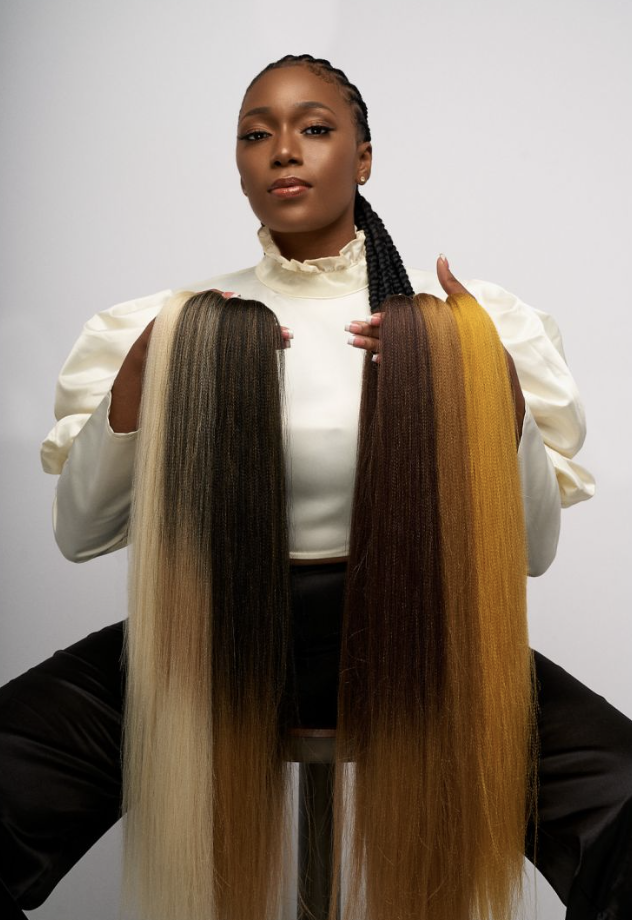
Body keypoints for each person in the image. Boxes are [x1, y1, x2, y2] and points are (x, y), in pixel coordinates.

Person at [1, 53, 630, 919]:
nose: (283, 151)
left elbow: (529, 551)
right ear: (239, 164)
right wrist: (144, 377)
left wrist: (489, 382)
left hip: (428, 650)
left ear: (363, 157)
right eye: (256, 135)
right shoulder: (170, 322)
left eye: (315, 129)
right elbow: (81, 533)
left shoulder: (474, 323)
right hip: (204, 649)